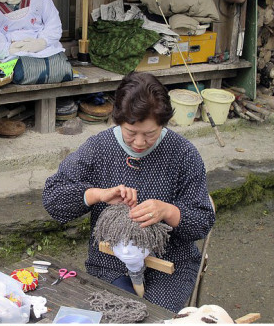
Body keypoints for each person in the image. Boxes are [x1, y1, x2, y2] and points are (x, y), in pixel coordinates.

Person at [43, 72, 215, 312]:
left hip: (170, 264)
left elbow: (203, 220)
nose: (140, 142)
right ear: (118, 120)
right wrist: (97, 195)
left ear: (163, 124)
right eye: (131, 132)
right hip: (110, 261)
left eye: (150, 134)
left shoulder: (183, 153)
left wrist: (168, 211)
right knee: (114, 313)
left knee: (152, 319)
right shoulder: (99, 148)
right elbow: (53, 198)